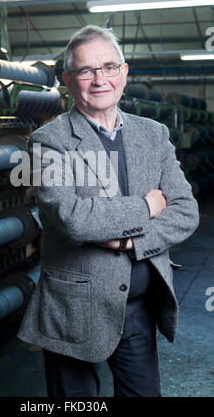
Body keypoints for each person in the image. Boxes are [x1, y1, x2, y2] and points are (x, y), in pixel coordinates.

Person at [17, 25, 199, 397]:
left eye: (109, 67)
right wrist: (148, 206)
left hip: (137, 307)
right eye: (85, 70)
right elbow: (74, 218)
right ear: (68, 80)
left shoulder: (154, 134)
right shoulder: (48, 142)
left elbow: (185, 210)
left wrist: (126, 244)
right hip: (73, 309)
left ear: (124, 72)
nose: (99, 79)